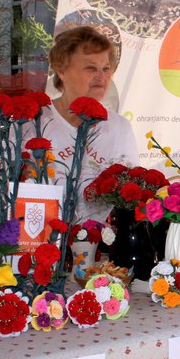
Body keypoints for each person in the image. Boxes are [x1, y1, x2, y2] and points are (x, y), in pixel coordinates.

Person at [33, 26, 138, 223]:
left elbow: (130, 197)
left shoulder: (119, 128)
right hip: (44, 244)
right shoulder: (32, 124)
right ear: (61, 70)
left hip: (102, 246)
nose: (101, 76)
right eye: (91, 68)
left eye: (106, 68)